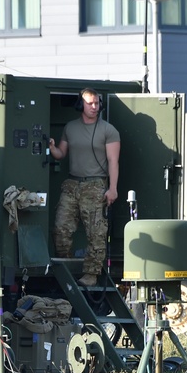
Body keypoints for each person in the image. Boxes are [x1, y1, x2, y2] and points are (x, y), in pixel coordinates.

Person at [48, 88, 120, 287]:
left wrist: (112, 188)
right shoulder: (70, 127)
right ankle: (67, 266)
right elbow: (61, 154)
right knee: (61, 228)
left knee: (95, 233)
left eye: (97, 103)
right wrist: (53, 148)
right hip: (72, 184)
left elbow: (114, 161)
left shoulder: (108, 130)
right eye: (90, 103)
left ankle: (91, 274)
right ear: (81, 104)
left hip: (96, 184)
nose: (94, 107)